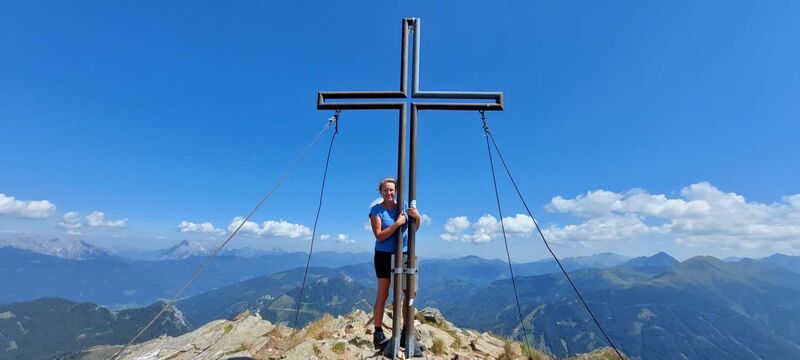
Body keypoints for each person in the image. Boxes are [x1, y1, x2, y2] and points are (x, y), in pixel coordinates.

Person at [369, 177, 422, 349]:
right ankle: (378, 332)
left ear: (396, 190)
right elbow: (379, 235)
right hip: (384, 255)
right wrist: (398, 223)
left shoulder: (404, 206)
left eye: (391, 190)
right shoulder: (376, 210)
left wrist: (418, 218)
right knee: (383, 294)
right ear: (381, 192)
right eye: (386, 190)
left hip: (405, 253)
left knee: (409, 293)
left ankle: (407, 331)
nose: (389, 193)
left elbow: (413, 229)